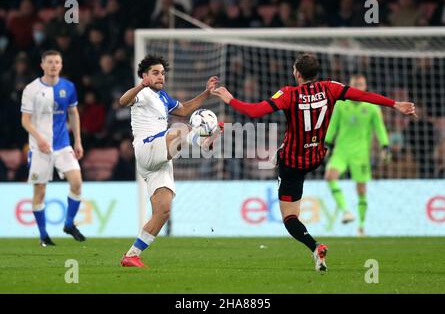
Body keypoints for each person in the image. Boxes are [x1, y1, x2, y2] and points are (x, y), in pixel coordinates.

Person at [211, 54, 416, 272]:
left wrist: (229, 99)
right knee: (293, 142)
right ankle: (275, 150)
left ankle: (314, 246)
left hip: (292, 163)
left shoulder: (288, 94)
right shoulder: (331, 88)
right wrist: (395, 104)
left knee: (290, 218)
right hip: (316, 157)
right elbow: (363, 95)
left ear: (297, 73)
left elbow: (254, 111)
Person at [119, 55, 220, 267]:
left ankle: (132, 255)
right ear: (145, 75)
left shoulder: (163, 97)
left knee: (163, 211)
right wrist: (140, 86)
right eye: (155, 73)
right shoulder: (144, 94)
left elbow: (183, 110)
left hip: (160, 159)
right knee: (176, 132)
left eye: (163, 73)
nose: (160, 77)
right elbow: (123, 101)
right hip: (147, 147)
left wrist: (206, 92)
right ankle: (201, 141)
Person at [21, 50, 86, 247]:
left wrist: (78, 141)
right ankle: (44, 236)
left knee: (76, 182)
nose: (53, 66)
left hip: (63, 144)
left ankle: (68, 224)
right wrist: (40, 139)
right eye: (49, 62)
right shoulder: (31, 89)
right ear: (42, 65)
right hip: (39, 147)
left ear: (61, 65)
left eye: (57, 62)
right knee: (40, 191)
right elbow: (25, 121)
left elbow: (73, 113)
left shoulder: (68, 87)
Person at [324, 74, 391, 236]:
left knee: (361, 189)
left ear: (365, 86)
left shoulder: (373, 107)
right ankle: (346, 211)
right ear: (350, 86)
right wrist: (326, 143)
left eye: (361, 84)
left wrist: (385, 146)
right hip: (341, 150)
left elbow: (379, 128)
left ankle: (361, 227)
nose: (358, 87)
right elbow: (333, 125)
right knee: (329, 176)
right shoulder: (341, 104)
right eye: (355, 84)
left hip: (360, 154)